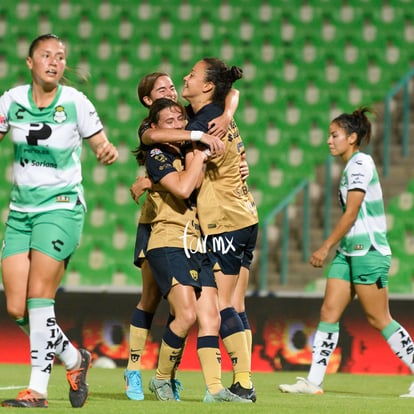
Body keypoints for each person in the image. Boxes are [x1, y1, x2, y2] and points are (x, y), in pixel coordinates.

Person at [0, 33, 118, 408]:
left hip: (61, 207)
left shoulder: (75, 102)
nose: (54, 61)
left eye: (61, 56)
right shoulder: (11, 100)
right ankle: (73, 357)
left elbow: (99, 142)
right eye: (46, 55)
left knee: (39, 298)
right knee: (17, 308)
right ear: (30, 63)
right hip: (21, 212)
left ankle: (37, 390)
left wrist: (105, 150)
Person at [278, 107, 414, 397]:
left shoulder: (360, 164)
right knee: (328, 311)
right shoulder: (350, 166)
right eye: (329, 135)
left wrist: (325, 246)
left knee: (379, 318)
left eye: (334, 135)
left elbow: (351, 214)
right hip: (349, 252)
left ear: (352, 137)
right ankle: (313, 382)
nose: (329, 140)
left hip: (369, 251)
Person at [124, 71, 238, 401]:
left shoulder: (185, 124)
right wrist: (156, 179)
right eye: (162, 90)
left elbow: (231, 97)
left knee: (183, 309)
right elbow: (160, 150)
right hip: (157, 225)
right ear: (148, 101)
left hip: (190, 231)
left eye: (173, 87)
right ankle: (134, 369)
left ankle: (169, 375)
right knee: (151, 298)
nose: (171, 93)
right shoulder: (152, 130)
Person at [181, 58, 259, 402]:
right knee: (237, 304)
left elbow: (189, 183)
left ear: (209, 86)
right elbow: (235, 92)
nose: (186, 77)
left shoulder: (204, 124)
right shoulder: (219, 111)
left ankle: (244, 384)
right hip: (246, 216)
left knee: (223, 304)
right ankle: (243, 380)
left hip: (225, 221)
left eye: (193, 75)